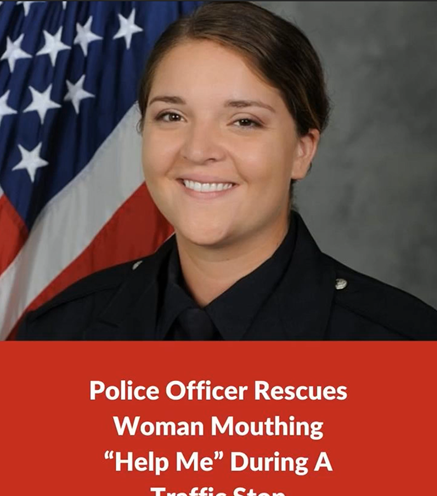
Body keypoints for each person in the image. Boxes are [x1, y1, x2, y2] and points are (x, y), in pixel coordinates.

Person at [16, 1, 437, 340]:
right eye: (172, 116)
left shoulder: (405, 347)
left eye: (244, 121)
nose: (198, 150)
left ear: (302, 151)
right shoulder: (58, 336)